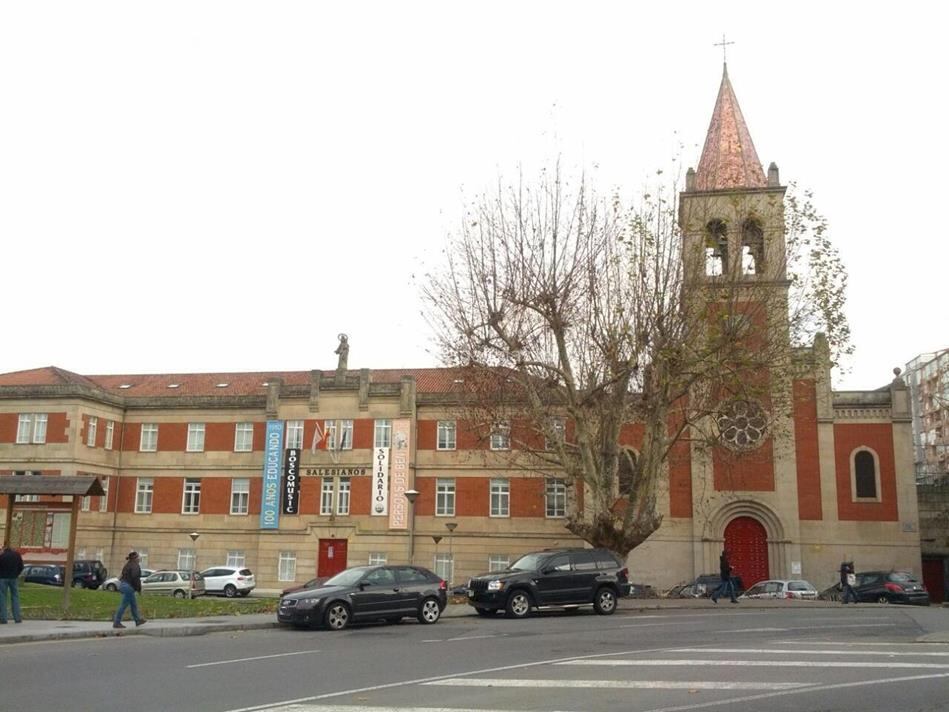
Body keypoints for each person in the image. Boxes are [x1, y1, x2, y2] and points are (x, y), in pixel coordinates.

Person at [112, 551, 146, 629]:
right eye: (138, 557)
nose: (139, 558)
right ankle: (116, 622)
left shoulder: (128, 565)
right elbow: (136, 579)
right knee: (123, 605)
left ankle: (138, 620)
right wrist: (139, 589)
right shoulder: (135, 566)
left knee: (133, 604)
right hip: (129, 587)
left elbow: (123, 576)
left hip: (124, 585)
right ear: (135, 558)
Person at [0, 541, 25, 624]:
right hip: (13, 578)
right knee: (15, 597)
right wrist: (16, 574)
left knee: (2, 598)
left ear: (4, 548)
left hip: (2, 578)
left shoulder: (2, 556)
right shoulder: (17, 555)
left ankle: (3, 618)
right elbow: (21, 566)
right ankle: (17, 618)